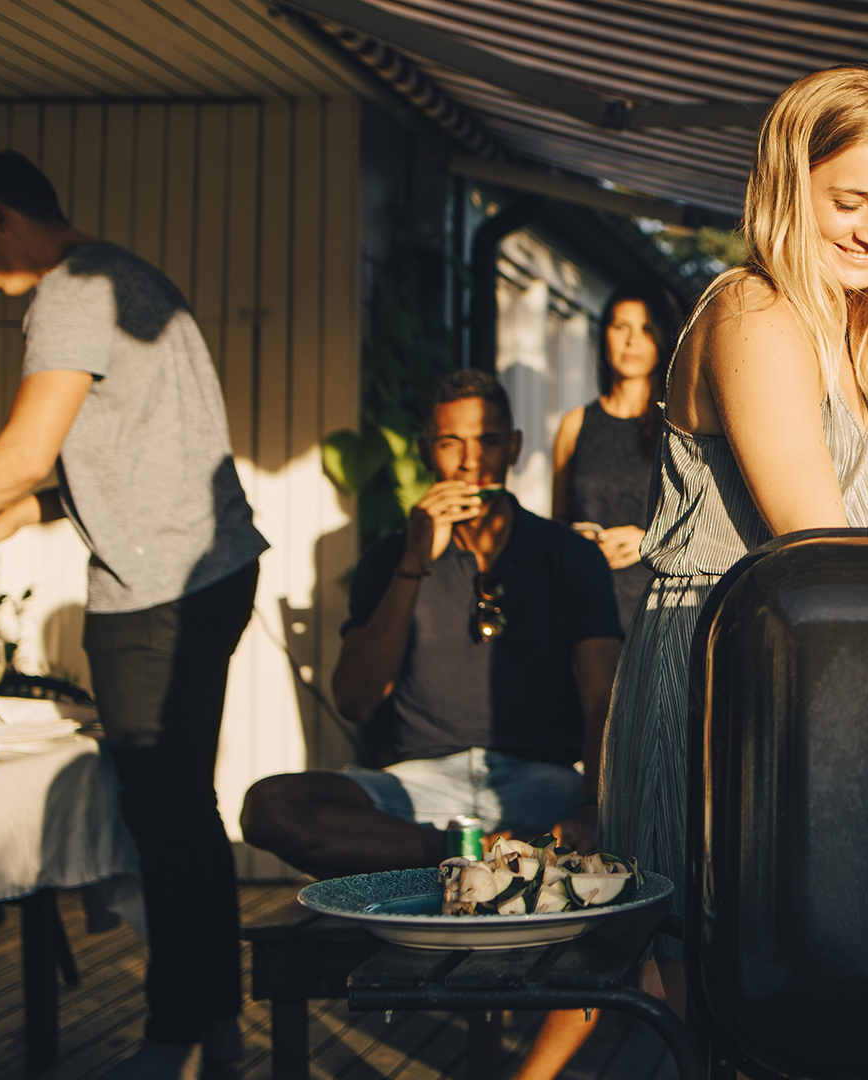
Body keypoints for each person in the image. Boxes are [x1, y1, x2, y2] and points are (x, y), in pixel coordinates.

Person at [0, 150, 269, 1079]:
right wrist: (20, 513)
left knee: (167, 822)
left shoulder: (71, 291)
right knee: (184, 817)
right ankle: (213, 1028)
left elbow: (23, 448)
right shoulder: (126, 277)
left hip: (160, 591)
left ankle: (173, 1038)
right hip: (208, 572)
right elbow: (130, 454)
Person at [597, 64, 868, 1017]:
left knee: (773, 980)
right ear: (788, 189)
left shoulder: (837, 326)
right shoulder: (755, 312)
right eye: (850, 201)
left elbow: (822, 527)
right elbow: (814, 549)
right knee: (713, 978)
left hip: (786, 660)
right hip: (719, 663)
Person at [241, 369, 622, 1080]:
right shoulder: (393, 558)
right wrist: (415, 561)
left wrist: (595, 806)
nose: (470, 462)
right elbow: (355, 698)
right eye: (451, 443)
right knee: (270, 805)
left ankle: (471, 867)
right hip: (418, 791)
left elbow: (603, 698)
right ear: (427, 450)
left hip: (538, 787)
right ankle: (481, 862)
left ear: (513, 448)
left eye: (487, 442)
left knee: (639, 836)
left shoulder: (566, 555)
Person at [550, 286, 681, 631]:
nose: (631, 341)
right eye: (620, 327)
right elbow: (557, 522)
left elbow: (704, 524)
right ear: (604, 333)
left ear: (662, 340)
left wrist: (648, 541)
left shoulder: (680, 425)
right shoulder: (575, 424)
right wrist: (576, 539)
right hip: (583, 604)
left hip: (656, 605)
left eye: (645, 329)